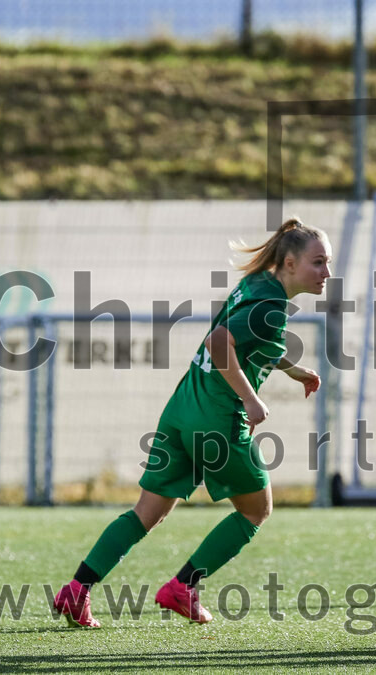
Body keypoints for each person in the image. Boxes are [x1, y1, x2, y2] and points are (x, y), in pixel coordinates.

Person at [52, 218, 331, 628]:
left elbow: (242, 337)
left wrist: (290, 369)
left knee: (147, 511)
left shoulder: (257, 284)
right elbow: (219, 342)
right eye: (318, 262)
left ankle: (77, 590)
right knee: (256, 511)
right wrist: (251, 400)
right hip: (217, 419)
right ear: (289, 263)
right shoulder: (272, 307)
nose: (327, 273)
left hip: (182, 409)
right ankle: (184, 586)